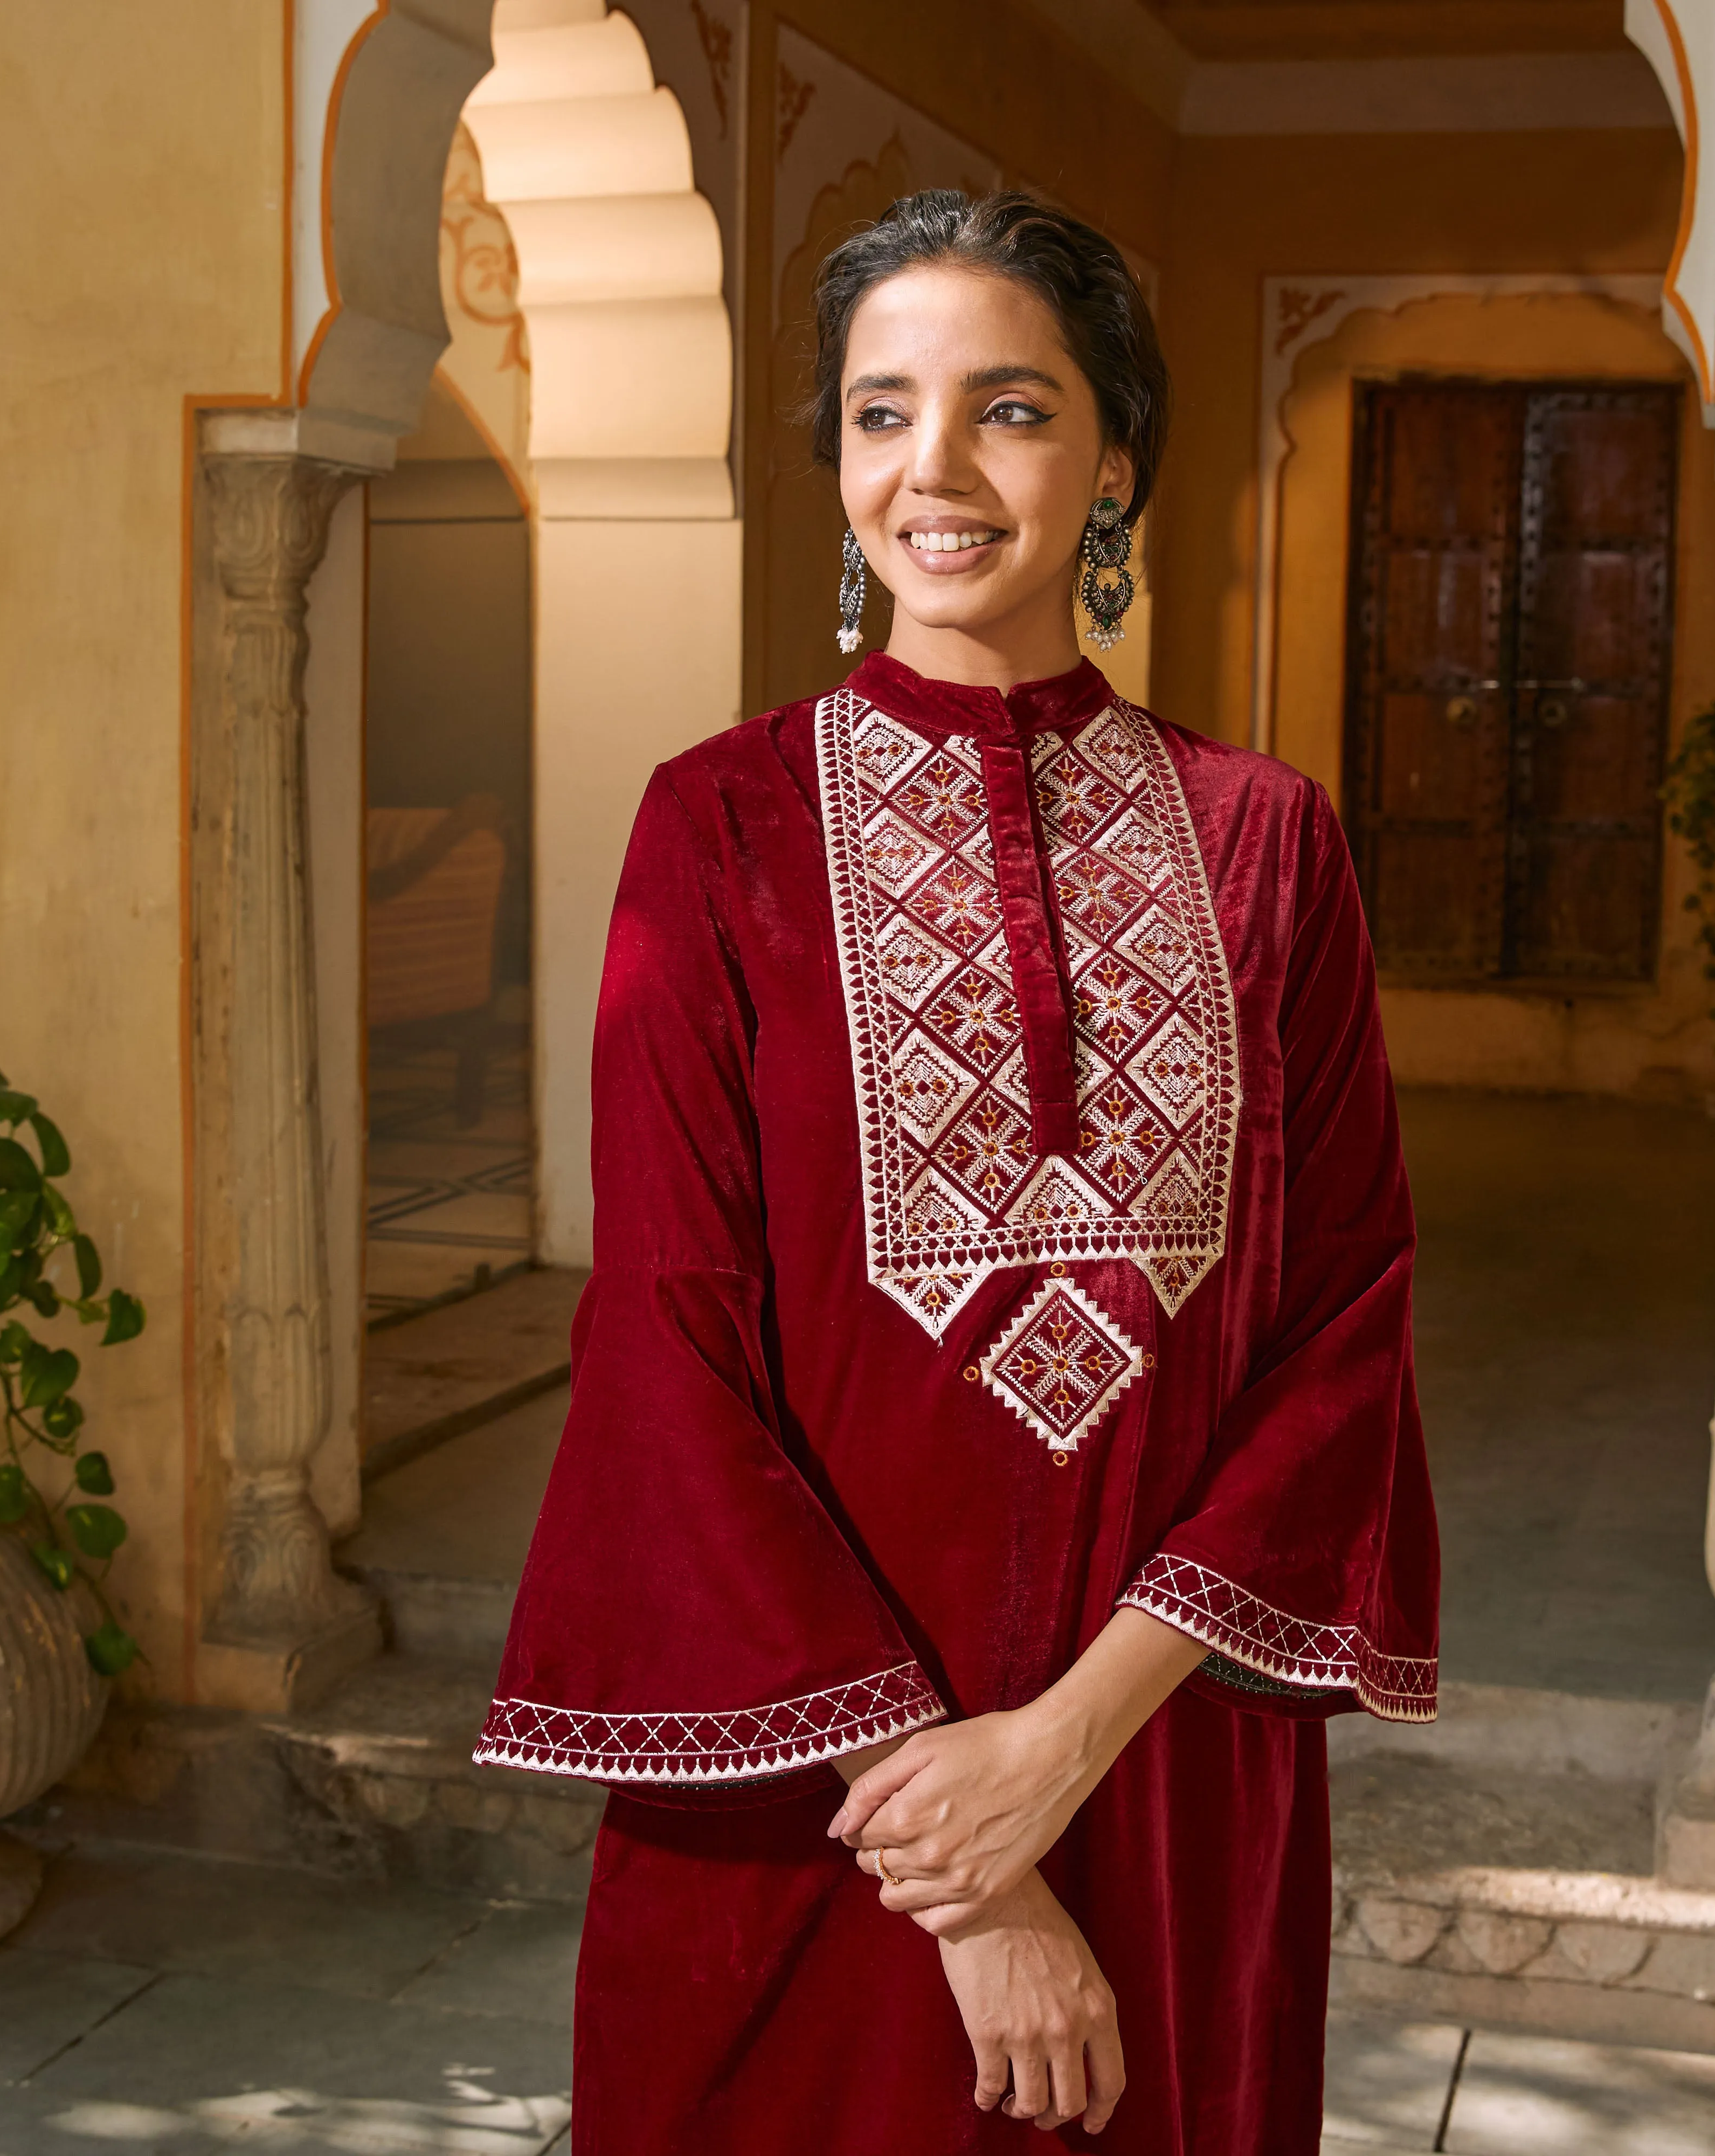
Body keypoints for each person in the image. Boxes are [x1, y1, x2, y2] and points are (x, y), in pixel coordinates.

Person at [475, 188, 1439, 2154]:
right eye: (877, 412)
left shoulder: (1269, 845)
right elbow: (666, 1340)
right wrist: (973, 1868)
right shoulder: (718, 831)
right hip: (822, 1788)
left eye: (1009, 408)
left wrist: (1061, 1755)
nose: (935, 470)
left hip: (1159, 1770)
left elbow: (1345, 1325)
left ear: (1113, 460)